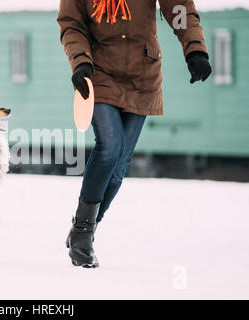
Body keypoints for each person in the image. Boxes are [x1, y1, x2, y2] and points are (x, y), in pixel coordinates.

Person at [58, 0, 212, 268]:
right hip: (99, 73)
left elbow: (178, 8)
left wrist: (194, 49)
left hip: (142, 77)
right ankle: (82, 235)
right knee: (110, 146)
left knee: (118, 170)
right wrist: (80, 61)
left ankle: (86, 229)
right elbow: (72, 24)